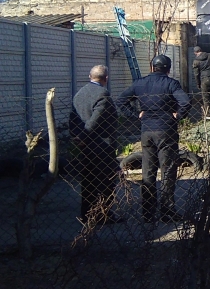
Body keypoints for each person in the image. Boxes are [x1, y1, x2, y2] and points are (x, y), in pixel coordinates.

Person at [117, 55, 191, 223]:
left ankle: (148, 213)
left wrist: (136, 115)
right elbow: (185, 102)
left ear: (151, 68)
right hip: (166, 131)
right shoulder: (171, 83)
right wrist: (178, 115)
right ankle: (167, 211)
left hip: (146, 132)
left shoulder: (139, 83)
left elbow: (121, 101)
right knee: (167, 170)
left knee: (148, 171)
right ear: (168, 69)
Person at [70, 65, 121, 224]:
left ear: (89, 76)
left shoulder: (79, 93)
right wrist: (83, 136)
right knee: (106, 180)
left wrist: (76, 137)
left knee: (88, 180)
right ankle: (104, 214)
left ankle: (87, 214)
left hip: (85, 146)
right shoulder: (103, 94)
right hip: (102, 145)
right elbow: (95, 120)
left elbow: (73, 117)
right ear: (106, 79)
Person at [192, 46, 210, 118]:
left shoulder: (196, 61)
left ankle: (208, 114)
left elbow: (196, 74)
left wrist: (198, 83)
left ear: (195, 53)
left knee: (205, 97)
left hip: (204, 79)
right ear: (201, 50)